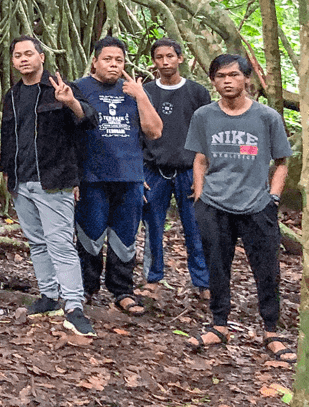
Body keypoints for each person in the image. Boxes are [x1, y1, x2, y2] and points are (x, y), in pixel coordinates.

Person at [183, 54, 293, 362]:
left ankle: (271, 331)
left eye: (233, 75)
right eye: (220, 76)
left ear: (247, 78)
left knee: (267, 269)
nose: (227, 81)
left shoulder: (267, 117)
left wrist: (273, 198)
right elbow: (200, 159)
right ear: (213, 81)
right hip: (214, 205)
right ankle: (219, 325)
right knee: (217, 267)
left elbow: (282, 162)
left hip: (257, 205)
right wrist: (200, 197)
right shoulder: (204, 116)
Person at [0, 35, 99, 337]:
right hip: (22, 181)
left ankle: (74, 306)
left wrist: (71, 102)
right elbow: (9, 136)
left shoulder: (61, 88)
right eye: (18, 55)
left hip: (54, 180)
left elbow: (89, 122)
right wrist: (7, 174)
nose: (23, 59)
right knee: (37, 242)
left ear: (41, 56)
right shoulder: (12, 95)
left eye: (29, 54)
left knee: (60, 244)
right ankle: (49, 296)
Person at [73, 37, 163, 316]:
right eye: (107, 59)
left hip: (129, 177)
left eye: (119, 60)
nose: (113, 65)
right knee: (89, 235)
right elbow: (68, 135)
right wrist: (72, 177)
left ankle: (122, 291)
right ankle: (86, 289)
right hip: (92, 176)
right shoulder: (79, 88)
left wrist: (141, 95)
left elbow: (154, 131)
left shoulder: (133, 91)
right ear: (95, 62)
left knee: (125, 238)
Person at [141, 38, 211, 298]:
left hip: (188, 169)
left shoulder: (197, 92)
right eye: (159, 57)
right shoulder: (146, 92)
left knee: (195, 227)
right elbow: (137, 132)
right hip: (153, 169)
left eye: (170, 56)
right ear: (153, 61)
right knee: (153, 226)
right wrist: (139, 171)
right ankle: (153, 278)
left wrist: (201, 174)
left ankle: (203, 282)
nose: (165, 62)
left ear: (180, 58)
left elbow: (206, 135)